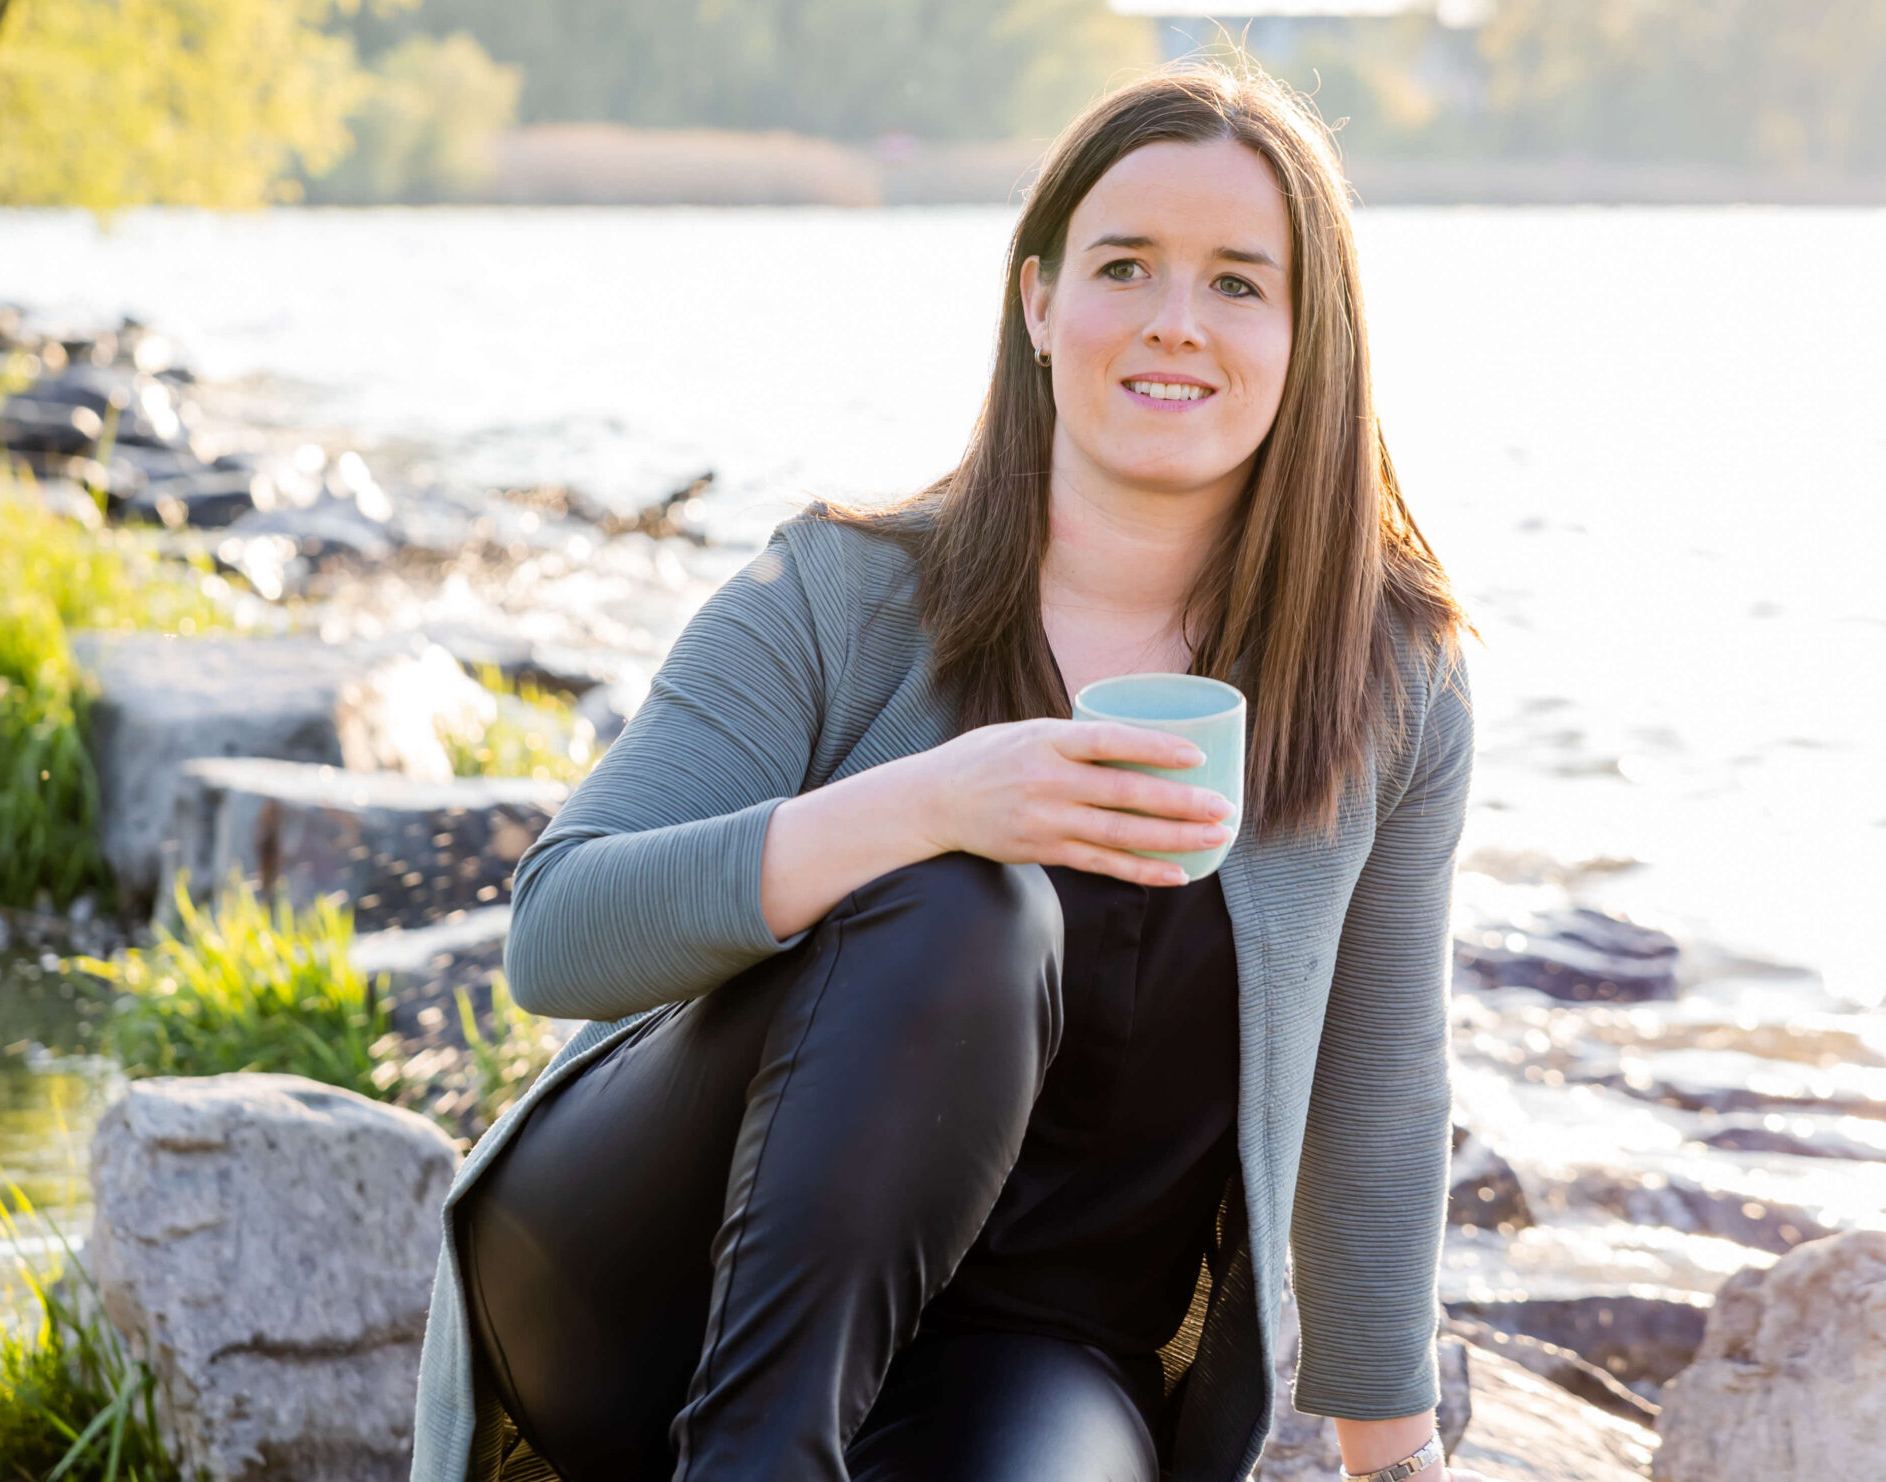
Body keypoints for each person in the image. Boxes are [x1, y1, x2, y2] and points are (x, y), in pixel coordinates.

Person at [409, 60, 1490, 1482]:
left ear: (1311, 335)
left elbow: (1378, 1080)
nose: (1177, 321)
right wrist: (927, 804)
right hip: (650, 1283)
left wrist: (1396, 1453)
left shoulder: (1388, 677)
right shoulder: (838, 593)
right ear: (1038, 301)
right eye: (1125, 266)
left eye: (1240, 282)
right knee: (965, 908)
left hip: (1032, 1350)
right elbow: (558, 934)